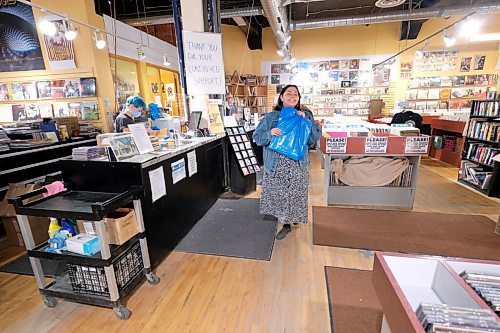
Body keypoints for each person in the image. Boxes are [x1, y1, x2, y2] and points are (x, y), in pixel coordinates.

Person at [253, 84, 321, 240]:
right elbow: (257, 137)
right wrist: (270, 133)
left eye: (295, 94)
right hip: (276, 164)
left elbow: (313, 140)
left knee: (295, 193)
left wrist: (306, 123)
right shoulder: (271, 117)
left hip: (297, 163)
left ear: (298, 98)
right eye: (288, 93)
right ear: (281, 97)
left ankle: (288, 223)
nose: (292, 96)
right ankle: (284, 219)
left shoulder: (305, 115)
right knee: (278, 193)